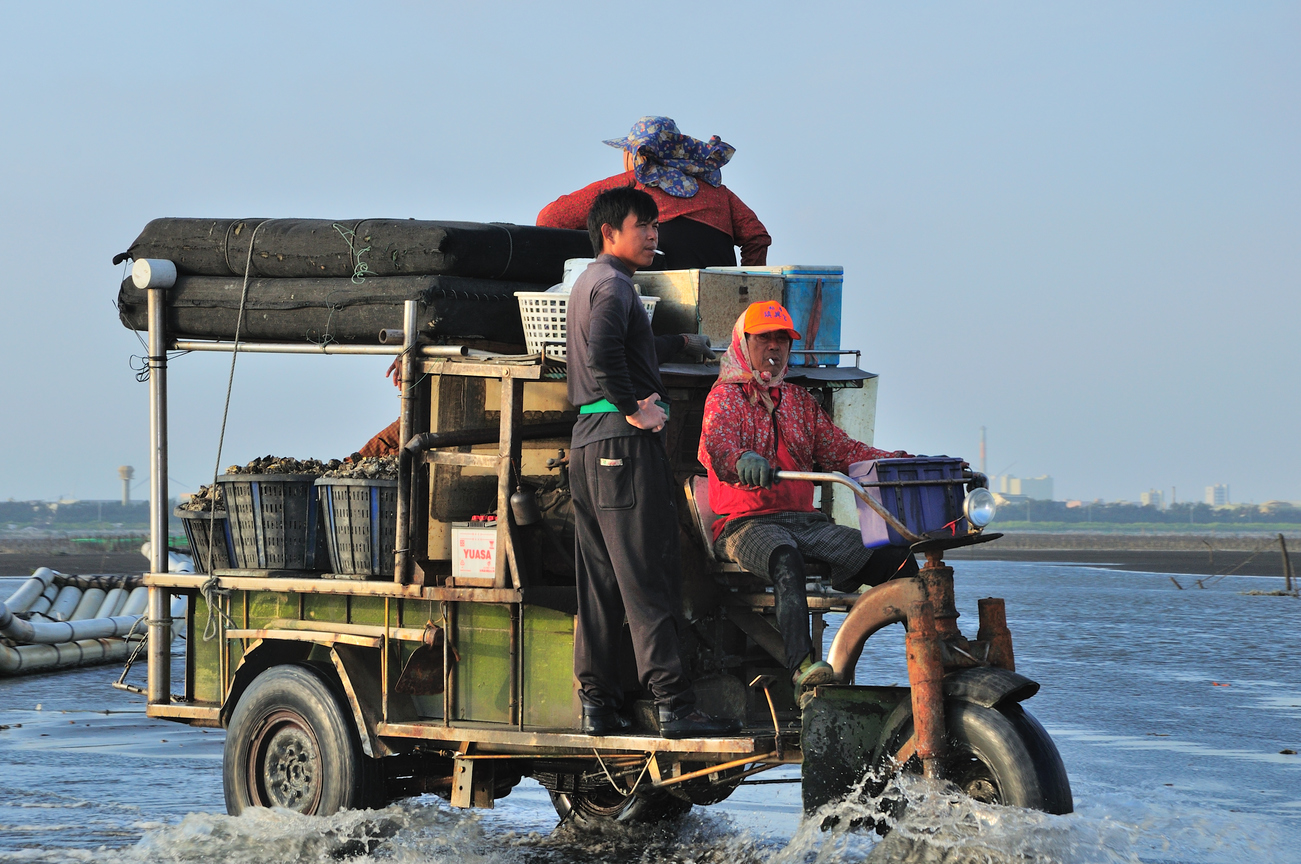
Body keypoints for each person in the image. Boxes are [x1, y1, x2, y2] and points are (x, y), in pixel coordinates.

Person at [568, 185, 740, 739]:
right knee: (648, 576)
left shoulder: (588, 282)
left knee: (599, 580)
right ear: (609, 233)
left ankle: (599, 702)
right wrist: (634, 408)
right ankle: (673, 704)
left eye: (656, 226)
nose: (653, 235)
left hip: (588, 443)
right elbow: (604, 352)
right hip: (620, 443)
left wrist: (677, 342)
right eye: (642, 225)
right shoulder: (616, 286)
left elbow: (624, 346)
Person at [698, 301, 920, 690]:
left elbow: (844, 451)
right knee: (786, 559)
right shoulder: (724, 399)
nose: (774, 348)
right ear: (742, 343)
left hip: (806, 523)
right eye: (764, 338)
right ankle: (802, 667)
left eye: (782, 339)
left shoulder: (801, 402)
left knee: (898, 560)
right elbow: (718, 448)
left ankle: (928, 655)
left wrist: (903, 461)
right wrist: (741, 459)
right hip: (745, 525)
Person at [537, 116, 771, 271]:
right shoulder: (719, 193)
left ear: (634, 154)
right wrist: (745, 284)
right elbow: (757, 236)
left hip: (656, 302)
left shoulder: (630, 185)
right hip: (719, 298)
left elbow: (551, 218)